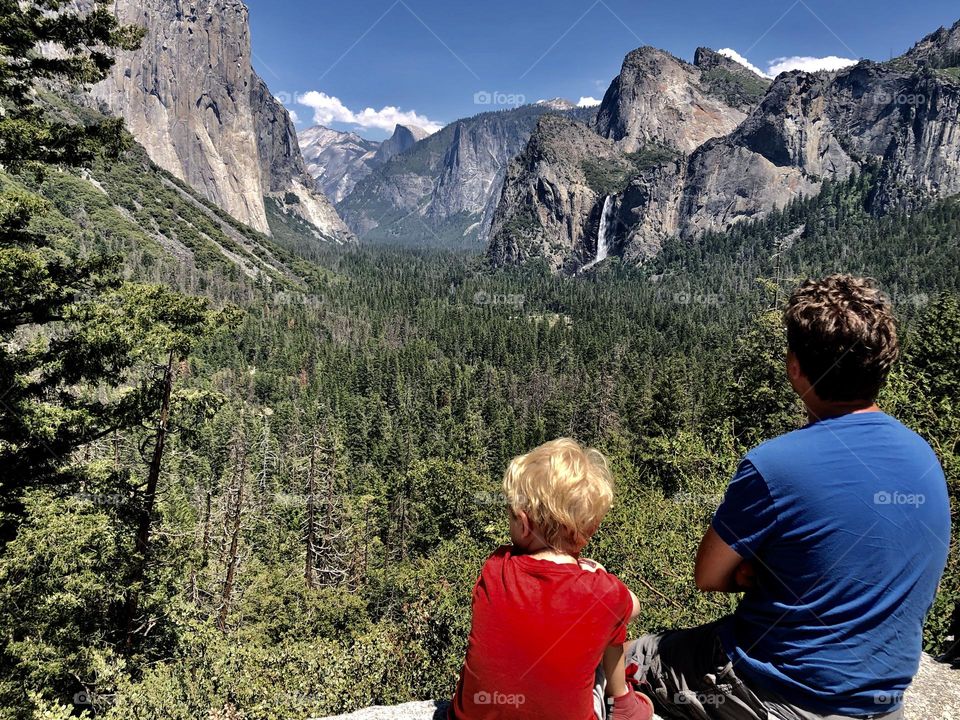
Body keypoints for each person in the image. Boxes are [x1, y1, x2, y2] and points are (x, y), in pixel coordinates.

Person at [626, 275, 951, 720]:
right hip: (880, 702)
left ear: (794, 365)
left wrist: (753, 570)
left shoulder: (775, 465)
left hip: (779, 695)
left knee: (629, 659)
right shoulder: (924, 458)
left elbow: (708, 575)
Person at [449, 438, 655, 720]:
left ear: (523, 524)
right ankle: (623, 703)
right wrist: (600, 575)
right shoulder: (602, 591)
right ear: (590, 529)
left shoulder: (495, 567)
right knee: (607, 624)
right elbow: (632, 607)